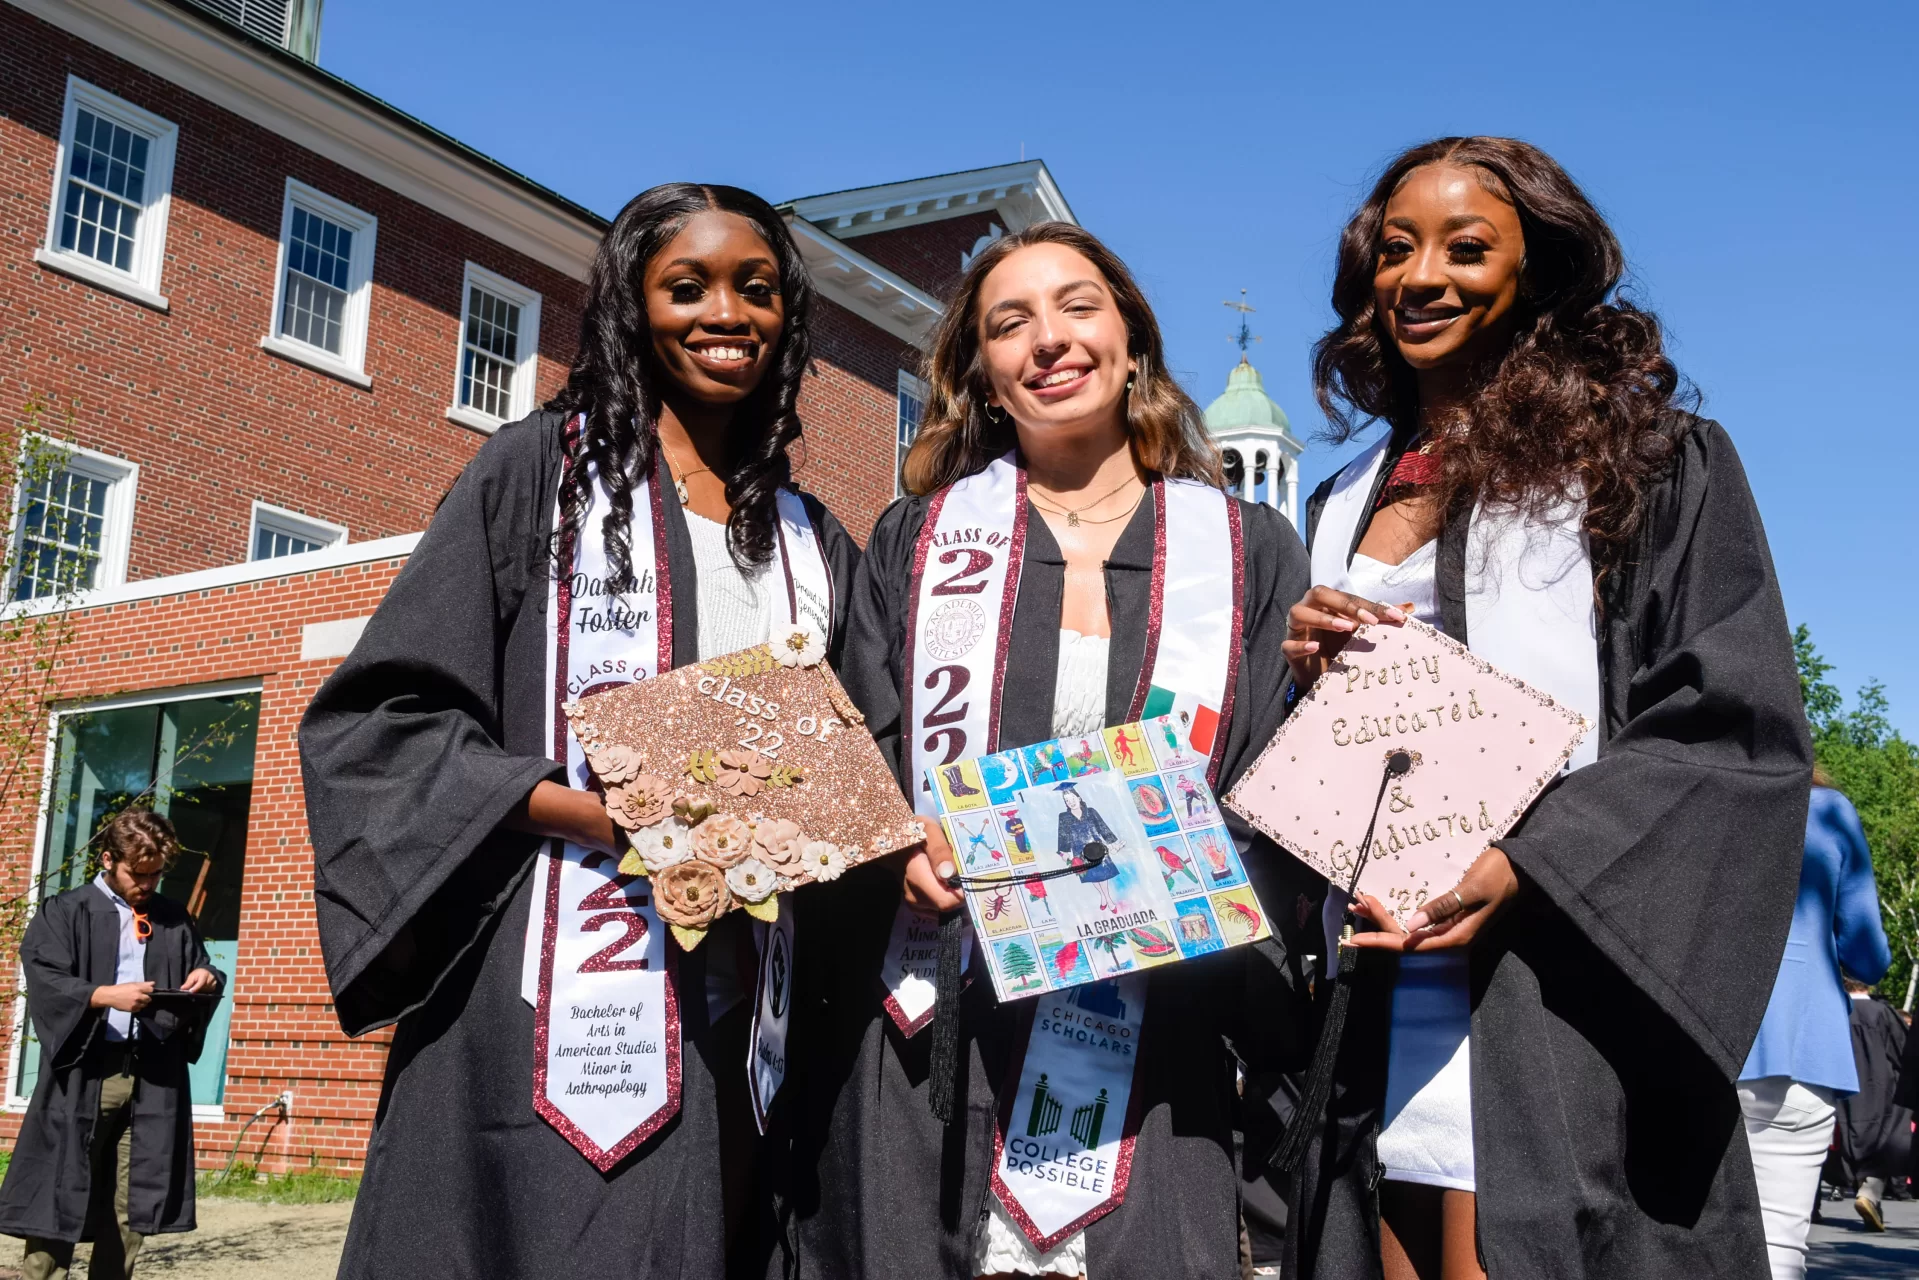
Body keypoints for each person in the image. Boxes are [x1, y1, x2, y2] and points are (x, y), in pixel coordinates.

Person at [299, 183, 860, 1279]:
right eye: (685, 285)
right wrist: (606, 817)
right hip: (553, 976)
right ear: (629, 306)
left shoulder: (810, 538)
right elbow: (384, 718)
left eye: (755, 289)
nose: (725, 315)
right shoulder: (536, 478)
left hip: (747, 999)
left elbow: (856, 755)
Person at [1276, 137, 1810, 1278]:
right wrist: (1306, 672)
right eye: (1396, 248)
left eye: (1466, 248)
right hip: (1377, 983)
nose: (1420, 276)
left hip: (1546, 987)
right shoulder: (1338, 500)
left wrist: (1531, 864)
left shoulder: (1644, 464)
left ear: (1538, 272)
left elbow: (1726, 718)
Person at [776, 221, 1314, 1279]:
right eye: (1008, 323)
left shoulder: (1244, 550)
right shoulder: (918, 542)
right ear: (979, 372)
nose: (1048, 341)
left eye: (1077, 306)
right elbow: (865, 747)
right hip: (936, 1021)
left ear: (1130, 339)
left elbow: (1275, 789)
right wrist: (896, 844)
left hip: (1161, 1035)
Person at [0, 809, 224, 1280]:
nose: (147, 883)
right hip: (85, 1071)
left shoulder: (171, 917)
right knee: (59, 1189)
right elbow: (45, 974)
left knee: (133, 1201)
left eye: (156, 873)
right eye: (136, 873)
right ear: (108, 859)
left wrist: (207, 977)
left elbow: (200, 967)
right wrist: (104, 995)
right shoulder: (67, 911)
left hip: (151, 1075)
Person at [1738, 770, 1890, 1275]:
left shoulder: (1674, 793)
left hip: (1691, 1042)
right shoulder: (1826, 811)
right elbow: (1868, 957)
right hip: (1799, 1049)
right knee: (1777, 1250)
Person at [1835, 980, 1909, 1231]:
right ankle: (1870, 1193)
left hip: (1845, 1091)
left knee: (1850, 1139)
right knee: (1889, 1138)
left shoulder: (1837, 1009)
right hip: (1881, 1091)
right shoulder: (1882, 1012)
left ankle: (1866, 1195)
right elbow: (1903, 1052)